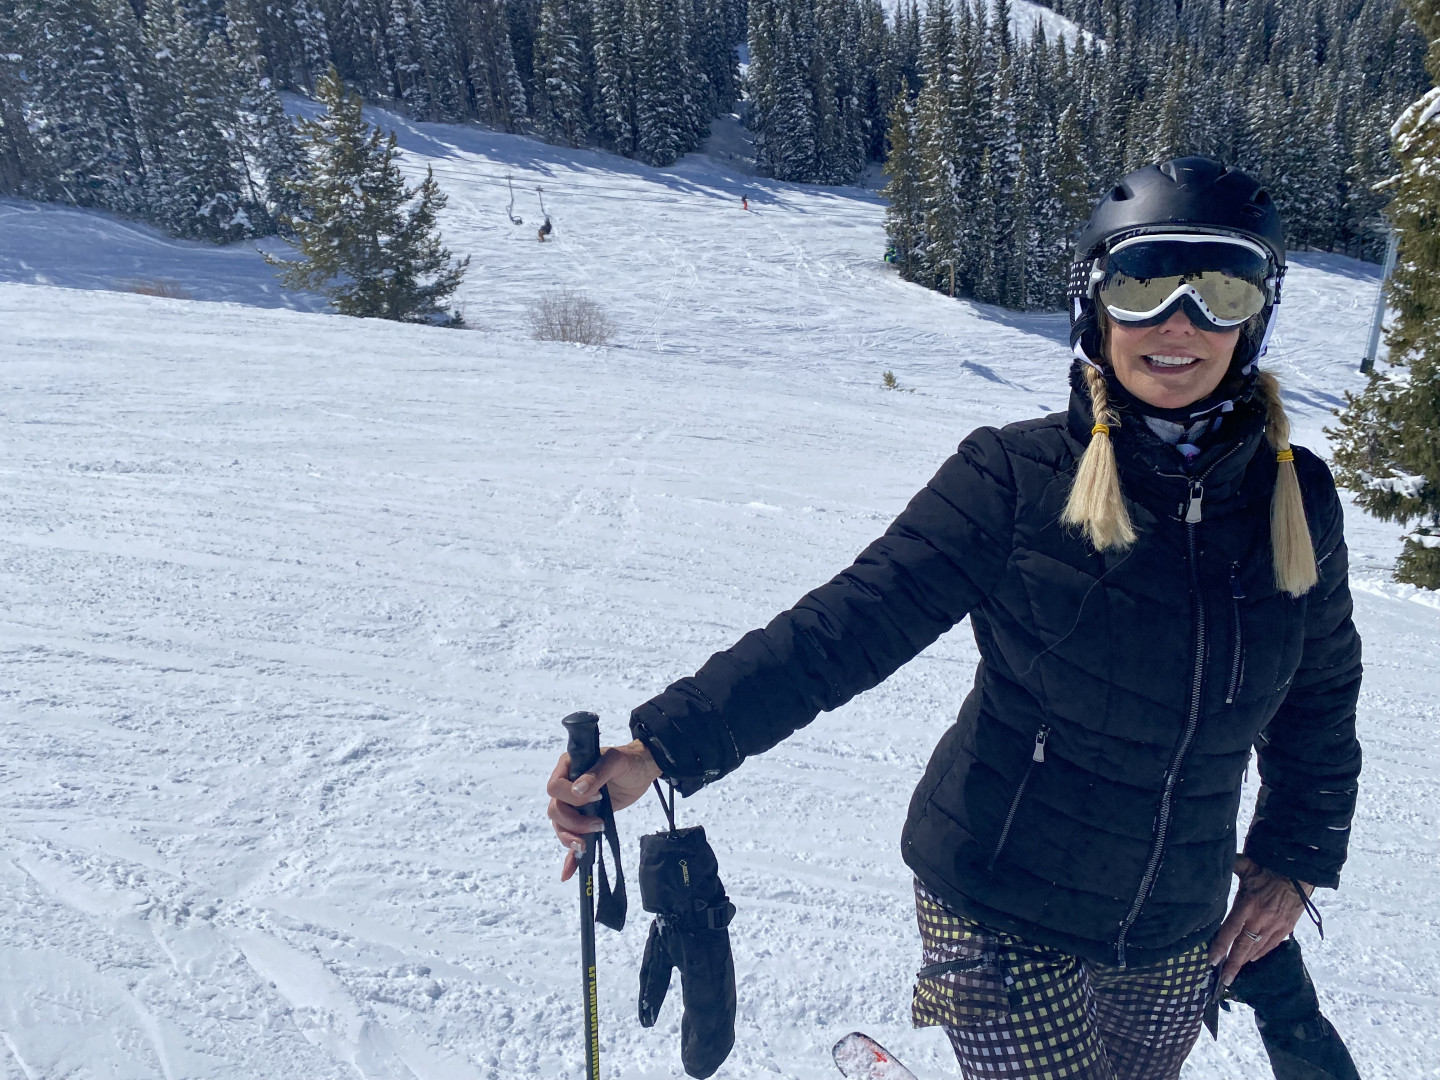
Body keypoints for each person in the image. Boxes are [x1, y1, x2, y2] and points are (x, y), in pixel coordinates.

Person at [546, 157, 1363, 1080]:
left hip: (1174, 924)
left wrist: (1293, 859)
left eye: (1222, 288)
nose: (1181, 322)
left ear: (1257, 312)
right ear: (1095, 304)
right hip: (998, 902)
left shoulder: (1297, 498)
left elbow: (1320, 697)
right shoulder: (1013, 479)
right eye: (1143, 284)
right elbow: (847, 627)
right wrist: (660, 748)